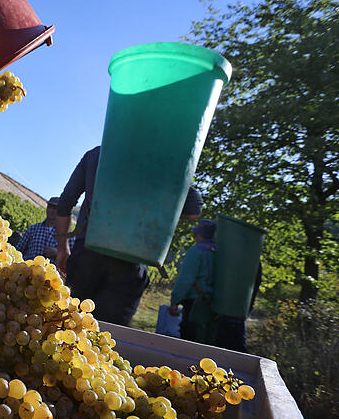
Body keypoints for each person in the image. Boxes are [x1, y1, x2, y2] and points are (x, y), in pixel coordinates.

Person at [56, 145, 204, 326]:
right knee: (107, 337)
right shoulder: (158, 161)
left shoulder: (96, 154)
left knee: (69, 326)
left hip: (88, 253)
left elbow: (65, 203)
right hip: (131, 260)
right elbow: (194, 211)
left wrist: (63, 249)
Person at [169, 219, 216, 343]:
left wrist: (175, 301)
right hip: (212, 304)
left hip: (194, 303)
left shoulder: (196, 251)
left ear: (197, 234)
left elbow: (186, 279)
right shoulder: (218, 253)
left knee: (190, 340)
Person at [16, 197, 74, 262]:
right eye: (49, 207)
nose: (51, 211)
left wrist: (57, 253)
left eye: (55, 208)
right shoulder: (32, 229)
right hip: (27, 270)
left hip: (52, 271)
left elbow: (73, 261)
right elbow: (18, 251)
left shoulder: (68, 236)